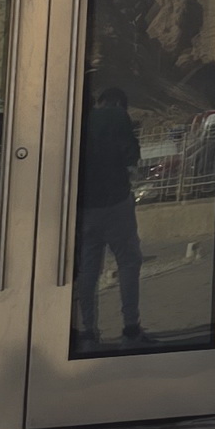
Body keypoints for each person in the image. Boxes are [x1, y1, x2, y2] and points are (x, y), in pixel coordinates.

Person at [73, 87, 148, 350]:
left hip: (85, 209)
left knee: (89, 270)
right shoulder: (115, 115)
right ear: (116, 103)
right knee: (128, 262)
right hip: (116, 203)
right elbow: (132, 156)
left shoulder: (74, 124)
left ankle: (88, 332)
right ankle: (130, 329)